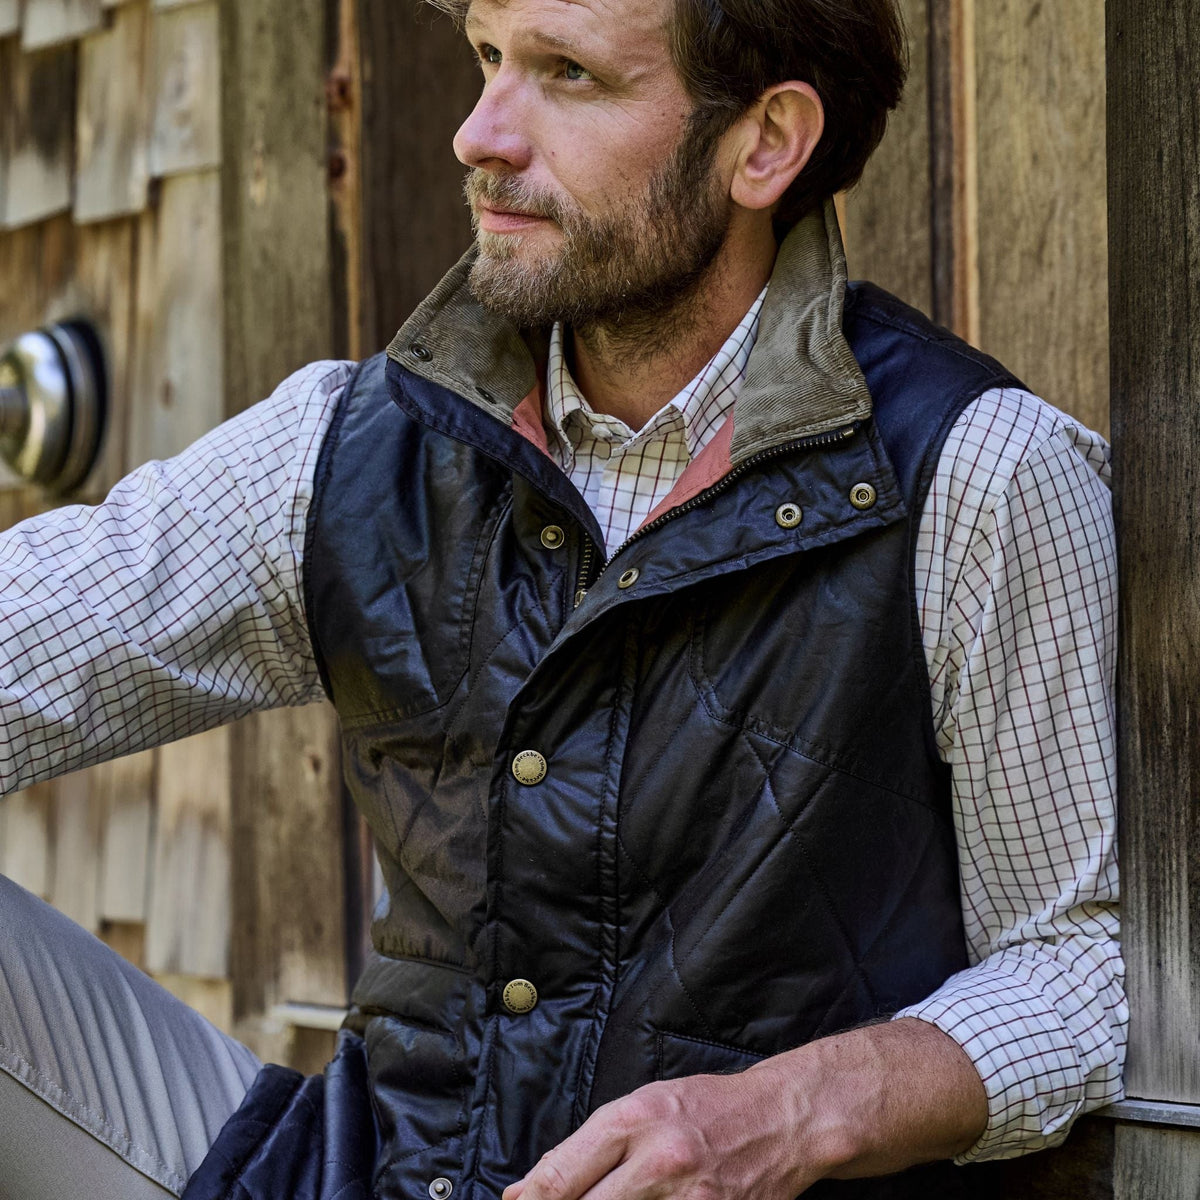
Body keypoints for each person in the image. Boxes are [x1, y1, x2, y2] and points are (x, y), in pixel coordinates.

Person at [0, 0, 1124, 1197]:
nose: (480, 133)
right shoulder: (355, 445)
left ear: (765, 142)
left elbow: (1090, 963)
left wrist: (793, 1113)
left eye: (568, 75)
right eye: (489, 57)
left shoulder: (981, 474)